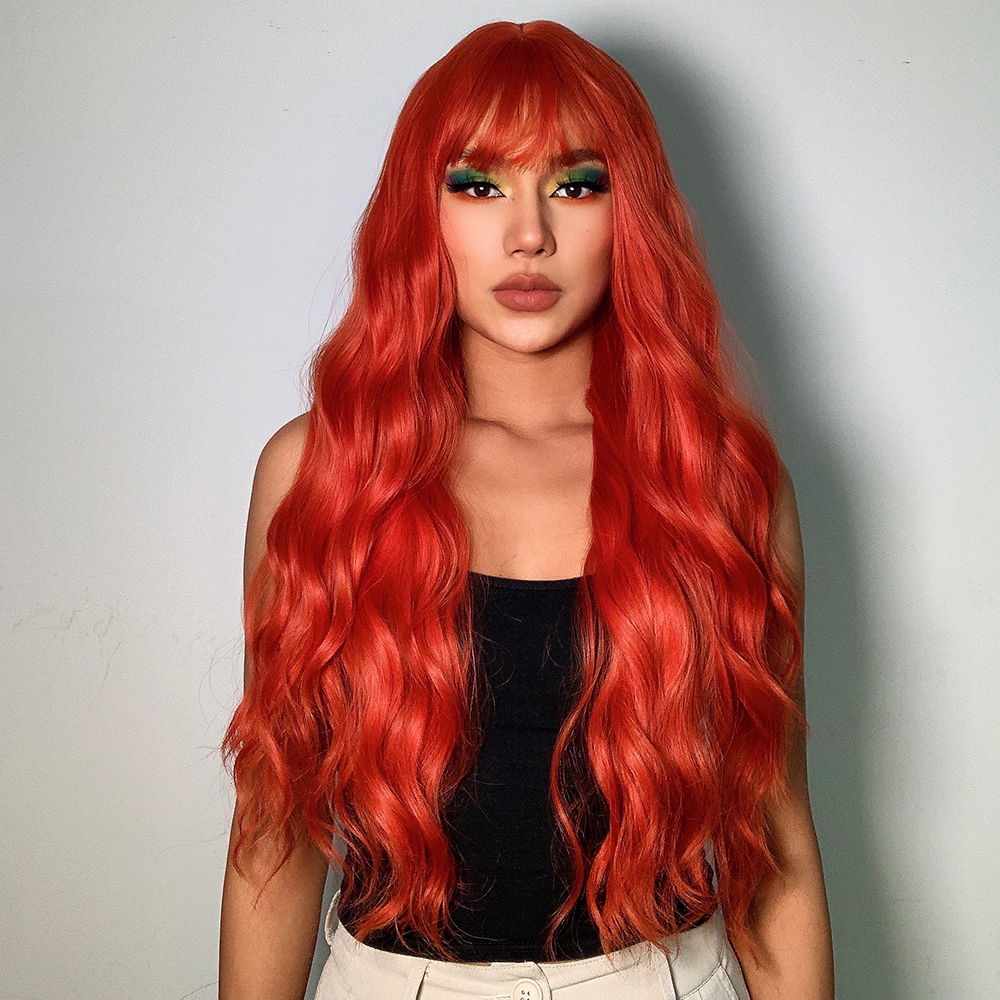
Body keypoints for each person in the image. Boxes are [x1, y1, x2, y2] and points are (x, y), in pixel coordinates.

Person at [218, 19, 834, 1000]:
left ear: (632, 212)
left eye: (576, 185)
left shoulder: (720, 483)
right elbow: (273, 835)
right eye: (479, 184)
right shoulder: (320, 474)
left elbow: (775, 846)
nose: (529, 233)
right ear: (422, 212)